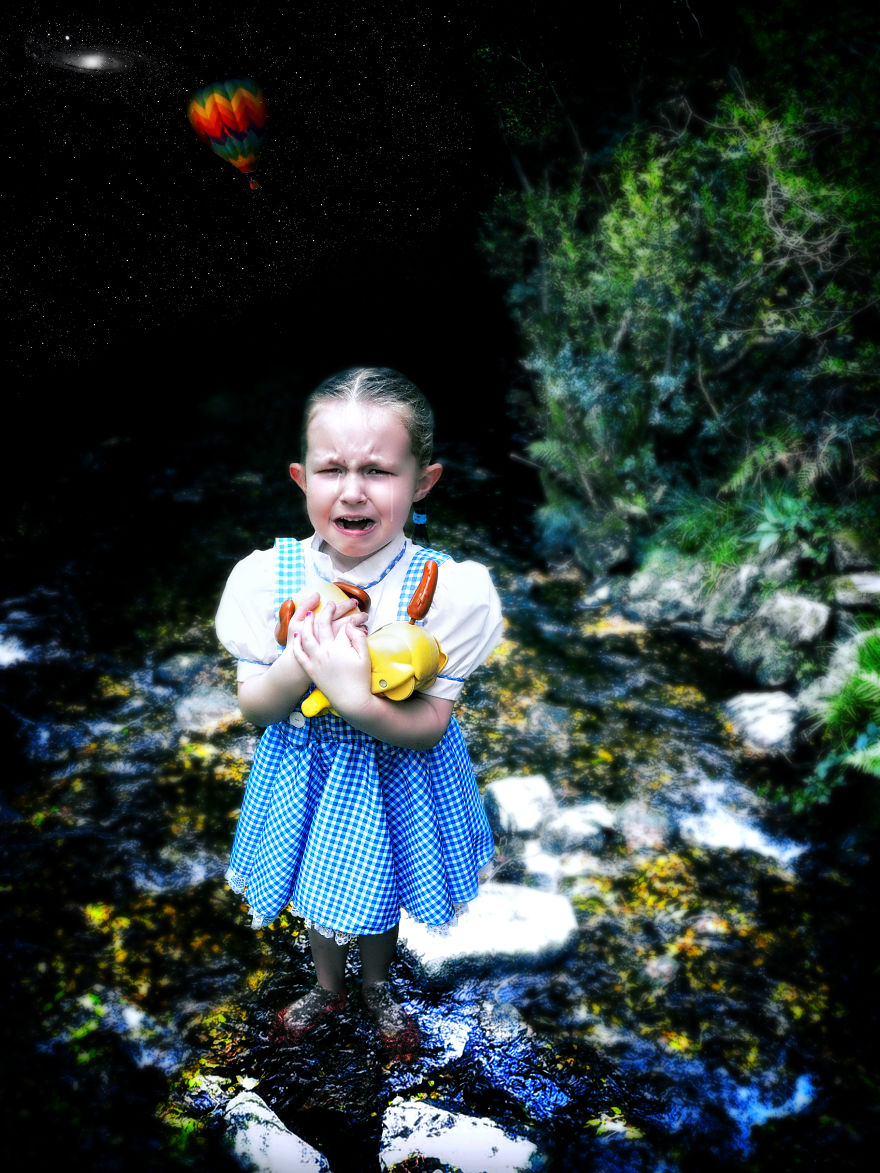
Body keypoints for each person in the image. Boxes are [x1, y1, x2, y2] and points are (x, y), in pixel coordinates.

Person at [215, 366, 502, 1059]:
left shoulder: (445, 590)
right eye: (331, 469)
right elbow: (255, 707)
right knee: (318, 889)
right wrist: (302, 662)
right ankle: (328, 986)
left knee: (380, 889)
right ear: (300, 478)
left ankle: (376, 984)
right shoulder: (266, 580)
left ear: (423, 481)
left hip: (396, 769)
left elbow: (429, 726)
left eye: (377, 470)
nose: (352, 490)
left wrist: (353, 696)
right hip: (305, 770)